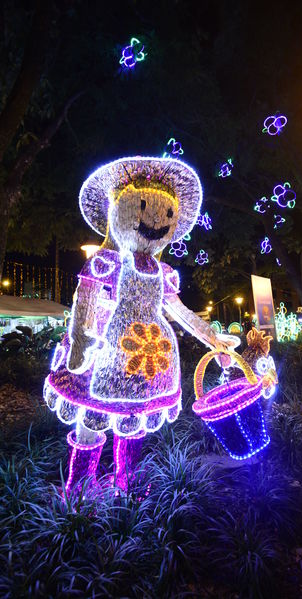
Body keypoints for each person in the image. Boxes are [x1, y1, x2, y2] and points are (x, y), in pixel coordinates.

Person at [43, 156, 233, 496]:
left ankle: (126, 486)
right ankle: (79, 487)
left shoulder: (163, 273)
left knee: (134, 425)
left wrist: (212, 338)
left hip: (149, 359)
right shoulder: (105, 262)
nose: (156, 221)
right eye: (143, 207)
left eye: (168, 215)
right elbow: (83, 302)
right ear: (119, 213)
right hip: (102, 351)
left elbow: (180, 311)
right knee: (90, 419)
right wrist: (80, 338)